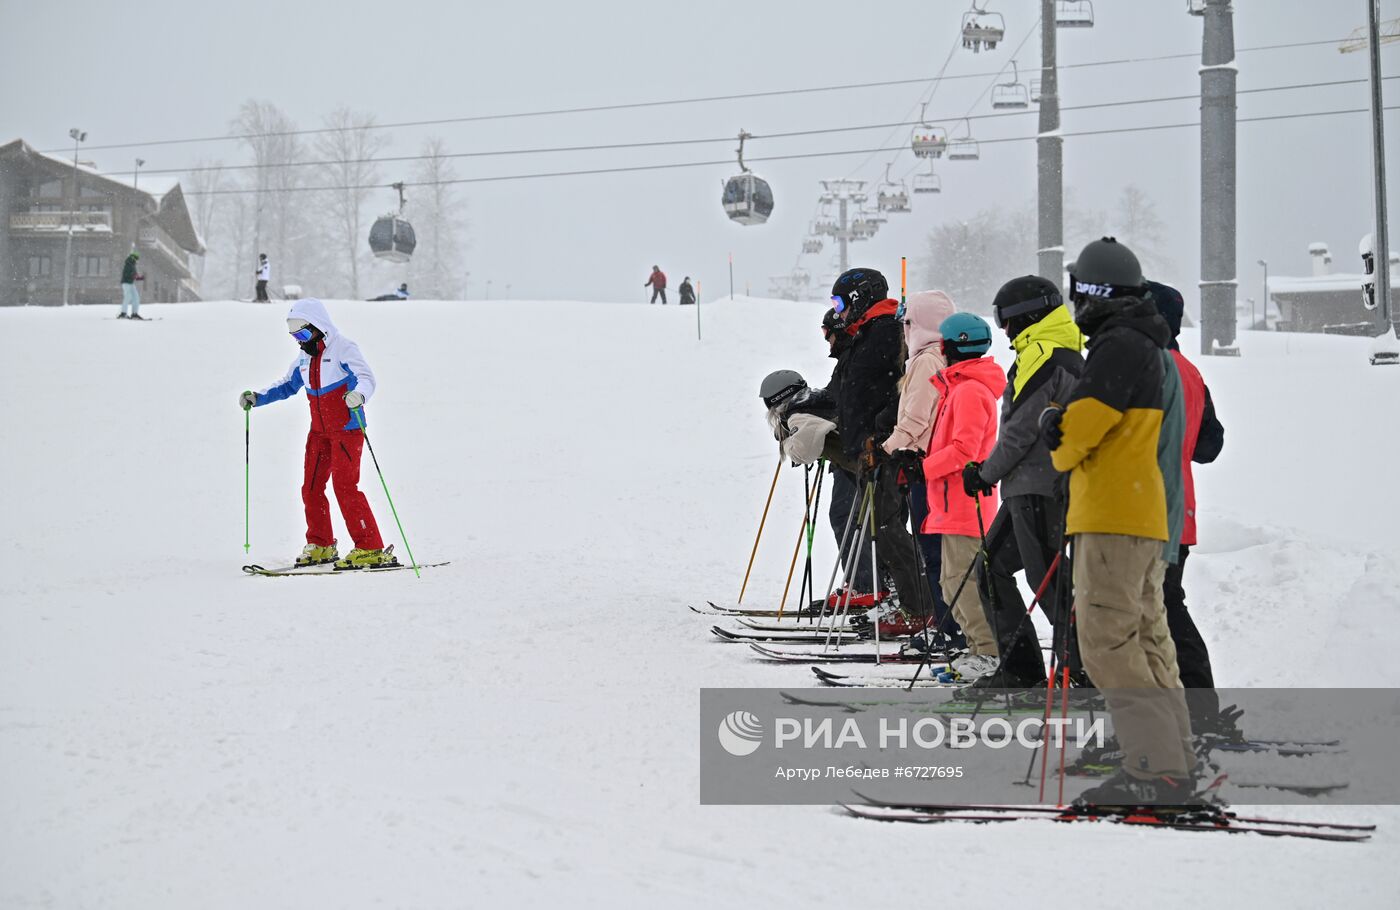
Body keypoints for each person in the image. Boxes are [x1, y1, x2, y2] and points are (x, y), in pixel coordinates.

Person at [1041, 237, 1195, 805]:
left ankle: (1154, 771)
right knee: (1148, 638)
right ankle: (1172, 759)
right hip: (1142, 515)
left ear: (1092, 292)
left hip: (1112, 514)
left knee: (1107, 643)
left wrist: (1058, 427)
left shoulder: (1118, 344)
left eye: (1078, 291)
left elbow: (1077, 436)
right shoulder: (1149, 341)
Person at [964, 276, 1085, 688]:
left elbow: (1020, 429)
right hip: (1029, 485)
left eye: (1005, 320)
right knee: (991, 567)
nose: (1003, 329)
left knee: (1047, 580)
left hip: (1038, 485)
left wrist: (984, 472)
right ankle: (1022, 667)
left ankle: (1084, 670)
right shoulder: (1062, 352)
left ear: (1026, 316)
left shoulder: (1043, 353)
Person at [238, 298, 397, 570]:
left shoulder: (344, 348)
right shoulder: (305, 357)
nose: (299, 341)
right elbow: (287, 385)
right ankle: (321, 544)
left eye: (302, 333)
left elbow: (367, 378)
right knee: (311, 488)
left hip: (347, 430)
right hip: (319, 433)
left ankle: (370, 547)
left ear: (319, 327)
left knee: (345, 487)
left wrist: (359, 396)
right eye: (294, 336)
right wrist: (258, 398)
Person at [1145, 279, 1233, 738]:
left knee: (1155, 613)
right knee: (1164, 608)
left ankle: (1191, 710)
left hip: (1140, 509)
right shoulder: (1189, 370)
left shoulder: (1144, 366)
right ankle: (1194, 707)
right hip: (1179, 511)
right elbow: (1209, 446)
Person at [827, 267, 936, 631]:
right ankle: (898, 598)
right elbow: (849, 393)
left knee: (887, 527)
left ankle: (920, 608)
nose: (838, 312)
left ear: (859, 297)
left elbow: (903, 390)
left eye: (840, 302)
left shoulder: (889, 331)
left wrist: (884, 431)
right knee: (875, 525)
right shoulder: (866, 334)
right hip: (868, 446)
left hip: (889, 447)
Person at [909, 313, 1004, 676]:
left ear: (951, 346)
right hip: (949, 503)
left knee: (965, 585)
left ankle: (989, 652)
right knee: (951, 585)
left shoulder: (969, 391)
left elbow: (965, 450)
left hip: (966, 504)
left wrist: (925, 468)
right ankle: (979, 649)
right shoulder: (958, 388)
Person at [875, 290, 960, 644]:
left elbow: (916, 415)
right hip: (926, 463)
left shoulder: (927, 359)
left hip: (921, 463)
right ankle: (946, 624)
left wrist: (889, 447)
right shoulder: (935, 356)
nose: (904, 332)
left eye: (908, 324)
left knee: (932, 550)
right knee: (933, 549)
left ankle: (947, 627)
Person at [118, 251, 145, 319]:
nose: (137, 260)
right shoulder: (128, 264)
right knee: (128, 297)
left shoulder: (132, 265)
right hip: (126, 283)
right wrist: (135, 276)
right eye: (136, 258)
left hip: (131, 283)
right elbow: (127, 274)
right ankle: (123, 314)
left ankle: (134, 314)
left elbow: (133, 275)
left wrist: (138, 277)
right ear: (133, 257)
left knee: (136, 298)